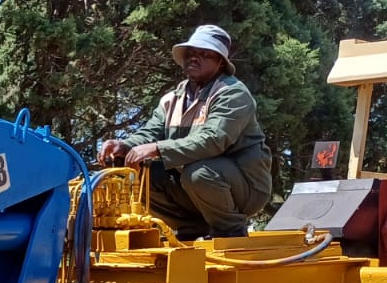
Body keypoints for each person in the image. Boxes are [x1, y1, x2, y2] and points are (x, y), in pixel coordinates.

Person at [101, 24, 273, 240]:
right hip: (194, 185)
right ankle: (191, 229)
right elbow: (150, 132)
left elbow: (213, 140)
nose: (194, 58)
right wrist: (125, 146)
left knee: (199, 173)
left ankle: (230, 230)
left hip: (245, 188)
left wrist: (157, 149)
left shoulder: (233, 94)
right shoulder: (173, 98)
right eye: (190, 53)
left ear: (220, 62)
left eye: (204, 54)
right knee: (138, 173)